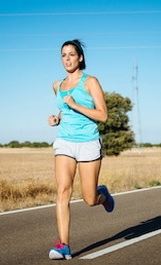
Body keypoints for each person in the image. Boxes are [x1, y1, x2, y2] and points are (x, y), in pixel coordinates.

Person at [47, 39, 115, 260]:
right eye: (63, 55)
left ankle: (102, 195)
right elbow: (64, 112)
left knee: (89, 199)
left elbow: (103, 116)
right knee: (63, 190)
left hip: (88, 143)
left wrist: (75, 104)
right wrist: (57, 118)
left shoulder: (90, 82)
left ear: (80, 58)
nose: (67, 59)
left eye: (71, 55)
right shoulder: (57, 85)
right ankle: (63, 245)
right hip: (65, 141)